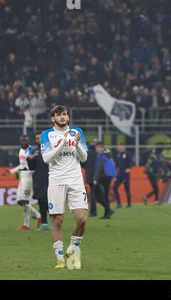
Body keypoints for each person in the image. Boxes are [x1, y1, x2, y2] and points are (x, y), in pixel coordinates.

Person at [40, 105, 88, 269]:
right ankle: (60, 258)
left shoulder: (77, 132)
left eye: (65, 114)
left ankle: (73, 249)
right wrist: (61, 144)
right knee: (58, 220)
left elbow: (84, 157)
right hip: (56, 180)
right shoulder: (47, 134)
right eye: (59, 114)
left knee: (82, 219)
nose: (63, 117)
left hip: (75, 179)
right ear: (53, 118)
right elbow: (46, 158)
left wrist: (76, 145)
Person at [1, 135, 42, 230]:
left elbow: (32, 164)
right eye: (22, 141)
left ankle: (38, 216)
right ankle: (26, 225)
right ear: (20, 141)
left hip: (29, 176)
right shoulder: (21, 151)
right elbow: (22, 165)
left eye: (25, 141)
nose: (24, 142)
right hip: (23, 176)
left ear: (28, 141)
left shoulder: (32, 151)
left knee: (21, 201)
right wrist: (11, 171)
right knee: (23, 201)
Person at [27, 131, 50, 231]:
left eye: (40, 137)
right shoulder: (35, 151)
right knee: (41, 200)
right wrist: (29, 159)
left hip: (49, 178)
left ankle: (55, 220)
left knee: (46, 201)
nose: (39, 140)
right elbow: (31, 167)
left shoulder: (51, 149)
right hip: (38, 179)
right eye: (37, 138)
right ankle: (44, 224)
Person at [94, 142, 116, 219]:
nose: (95, 149)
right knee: (105, 195)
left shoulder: (101, 155)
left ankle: (108, 211)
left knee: (100, 196)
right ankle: (107, 214)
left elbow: (99, 167)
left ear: (100, 147)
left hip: (102, 177)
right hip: (108, 176)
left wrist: (95, 178)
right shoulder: (108, 154)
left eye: (96, 147)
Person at [113, 143, 133, 208]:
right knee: (115, 187)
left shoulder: (127, 154)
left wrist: (129, 168)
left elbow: (130, 162)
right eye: (119, 147)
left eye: (121, 147)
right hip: (119, 174)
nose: (120, 148)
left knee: (127, 188)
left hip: (125, 174)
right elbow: (116, 164)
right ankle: (119, 203)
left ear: (124, 147)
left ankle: (129, 204)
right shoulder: (118, 155)